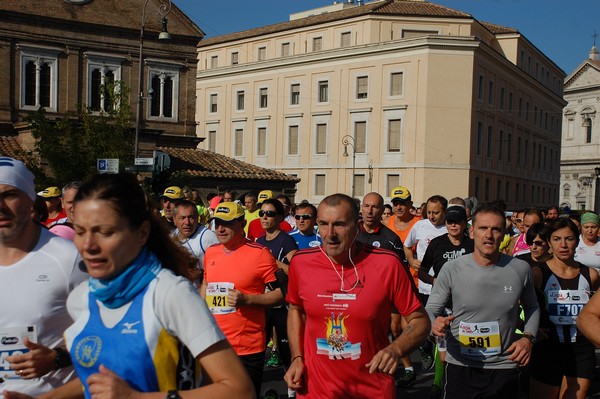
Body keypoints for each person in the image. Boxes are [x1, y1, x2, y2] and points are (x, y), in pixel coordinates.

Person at [5, 174, 255, 399]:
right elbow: (100, 379)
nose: (88, 245)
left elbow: (239, 390)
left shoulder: (170, 293)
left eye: (105, 232)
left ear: (142, 233)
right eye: (80, 231)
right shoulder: (82, 298)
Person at [284, 194, 430, 398]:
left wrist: (395, 349)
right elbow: (296, 310)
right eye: (323, 224)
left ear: (357, 226)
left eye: (340, 225)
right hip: (315, 390)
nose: (330, 234)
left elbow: (420, 321)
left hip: (371, 389)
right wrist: (297, 357)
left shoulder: (387, 264)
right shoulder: (301, 263)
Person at [426, 203, 540, 399]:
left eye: (496, 229)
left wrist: (528, 338)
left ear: (504, 234)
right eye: (483, 228)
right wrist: (434, 326)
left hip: (503, 365)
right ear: (471, 232)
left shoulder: (520, 269)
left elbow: (532, 307)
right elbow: (430, 310)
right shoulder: (451, 269)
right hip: (461, 365)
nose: (489, 234)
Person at [0, 157, 86, 398]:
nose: (0, 206)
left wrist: (58, 358)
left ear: (30, 203)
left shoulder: (70, 259)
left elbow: (111, 335)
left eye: (9, 195)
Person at [201, 202, 284, 399]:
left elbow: (283, 293)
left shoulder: (259, 254)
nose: (220, 229)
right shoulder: (211, 252)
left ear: (242, 223)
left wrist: (247, 299)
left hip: (246, 347)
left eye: (227, 223)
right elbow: (206, 284)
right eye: (217, 223)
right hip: (214, 344)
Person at [529, 218, 599, 399]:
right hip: (548, 348)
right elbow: (521, 306)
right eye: (557, 239)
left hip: (581, 350)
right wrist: (529, 327)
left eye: (569, 239)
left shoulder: (590, 274)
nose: (563, 245)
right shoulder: (538, 273)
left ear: (577, 241)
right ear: (549, 244)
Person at [357, 192, 415, 386]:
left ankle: (403, 368)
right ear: (361, 208)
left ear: (382, 211)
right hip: (355, 296)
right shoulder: (351, 233)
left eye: (374, 207)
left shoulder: (390, 239)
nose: (370, 211)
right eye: (366, 206)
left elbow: (403, 272)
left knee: (391, 330)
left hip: (384, 297)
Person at [418, 205, 474, 397]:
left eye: (457, 221)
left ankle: (464, 382)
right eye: (449, 222)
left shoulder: (472, 244)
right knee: (442, 343)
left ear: (464, 224)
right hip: (442, 303)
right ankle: (437, 382)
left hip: (468, 303)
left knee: (464, 343)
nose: (453, 225)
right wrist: (437, 281)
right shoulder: (437, 243)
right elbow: (422, 270)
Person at [172, 200, 219, 287]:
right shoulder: (172, 236)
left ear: (197, 218)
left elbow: (221, 267)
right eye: (182, 218)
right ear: (174, 220)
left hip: (199, 295)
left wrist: (201, 274)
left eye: (191, 217)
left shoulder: (207, 237)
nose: (187, 222)